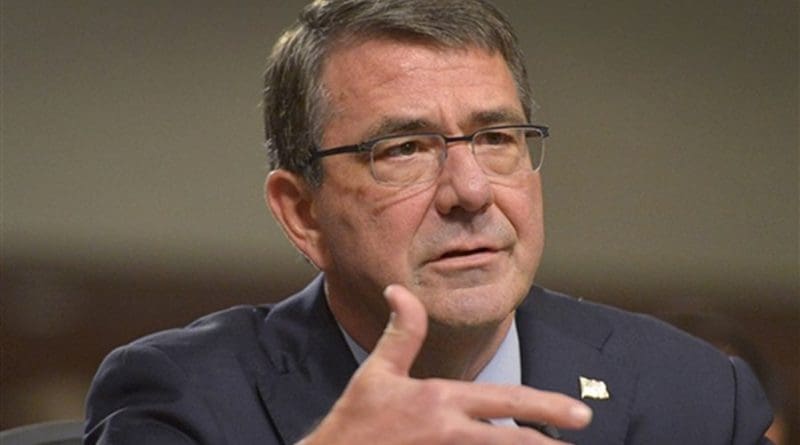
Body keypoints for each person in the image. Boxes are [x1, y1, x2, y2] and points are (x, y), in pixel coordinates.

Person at [84, 0, 774, 443]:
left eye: (497, 137)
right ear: (302, 212)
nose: (471, 191)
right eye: (406, 148)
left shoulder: (695, 395)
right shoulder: (183, 399)